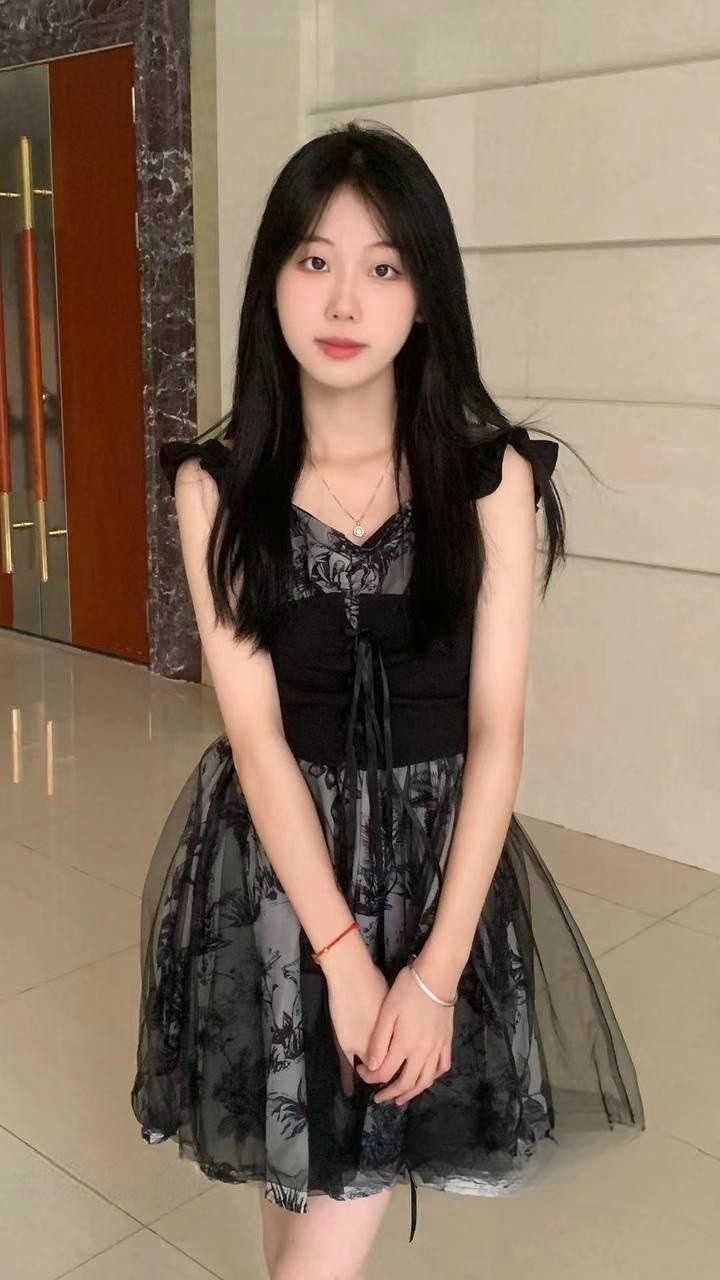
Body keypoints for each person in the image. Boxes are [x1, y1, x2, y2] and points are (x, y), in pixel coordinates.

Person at [130, 121, 645, 1280]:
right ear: (272, 278)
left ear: (426, 292)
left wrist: (430, 972)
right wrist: (344, 959)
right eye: (314, 259)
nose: (344, 298)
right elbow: (254, 735)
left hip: (431, 881)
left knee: (318, 1236)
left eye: (383, 265)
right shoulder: (217, 487)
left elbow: (497, 731)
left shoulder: (488, 477)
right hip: (279, 874)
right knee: (301, 1188)